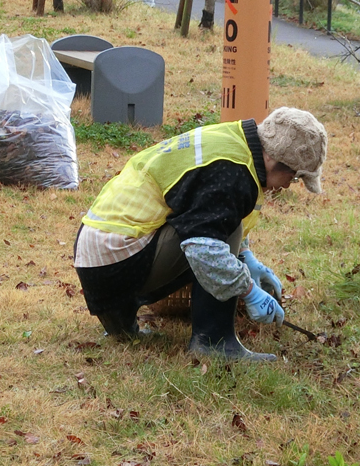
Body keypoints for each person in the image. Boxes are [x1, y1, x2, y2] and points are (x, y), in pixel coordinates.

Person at [74, 108, 328, 361]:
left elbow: (206, 207)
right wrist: (248, 289)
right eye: (293, 176)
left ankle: (122, 327)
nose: (286, 185)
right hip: (118, 263)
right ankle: (214, 342)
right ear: (273, 159)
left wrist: (246, 256)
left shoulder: (230, 139)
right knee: (220, 235)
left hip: (95, 256)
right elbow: (204, 247)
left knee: (215, 227)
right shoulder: (233, 171)